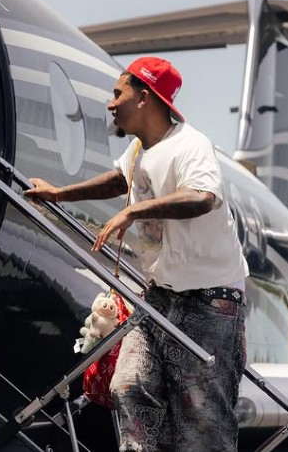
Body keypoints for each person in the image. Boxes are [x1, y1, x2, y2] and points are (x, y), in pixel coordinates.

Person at [25, 56, 249, 452]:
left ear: (144, 97)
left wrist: (133, 211)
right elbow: (119, 180)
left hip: (209, 299)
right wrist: (58, 194)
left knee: (201, 423)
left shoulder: (190, 145)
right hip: (160, 295)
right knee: (129, 384)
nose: (111, 103)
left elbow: (202, 197)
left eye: (118, 94)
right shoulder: (138, 150)